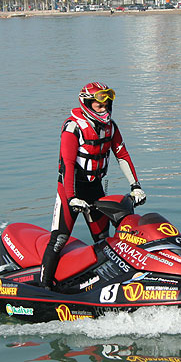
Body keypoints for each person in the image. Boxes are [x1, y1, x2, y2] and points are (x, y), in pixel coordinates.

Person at [40, 82, 146, 290]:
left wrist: (136, 186)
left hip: (95, 188)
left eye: (107, 105)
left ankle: (101, 283)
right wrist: (71, 198)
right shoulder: (73, 127)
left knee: (102, 239)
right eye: (100, 105)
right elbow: (68, 165)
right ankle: (43, 288)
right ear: (88, 104)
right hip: (70, 189)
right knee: (60, 238)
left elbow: (122, 155)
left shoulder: (111, 127)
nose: (105, 108)